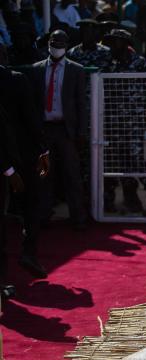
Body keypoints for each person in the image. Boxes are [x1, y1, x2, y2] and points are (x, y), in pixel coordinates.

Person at [102, 29, 146, 216]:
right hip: (114, 121)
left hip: (134, 120)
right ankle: (132, 201)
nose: (110, 47)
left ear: (123, 43)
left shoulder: (140, 63)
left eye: (114, 42)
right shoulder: (110, 64)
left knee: (136, 158)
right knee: (121, 160)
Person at [0, 43, 49, 281]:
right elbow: (31, 119)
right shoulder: (17, 80)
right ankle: (29, 251)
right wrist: (43, 149)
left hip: (12, 157)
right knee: (32, 204)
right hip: (21, 154)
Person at [30, 30, 88, 230]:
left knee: (72, 174)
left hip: (66, 131)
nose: (56, 45)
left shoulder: (76, 70)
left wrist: (81, 132)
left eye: (60, 42)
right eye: (53, 42)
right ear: (48, 44)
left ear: (67, 45)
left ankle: (78, 218)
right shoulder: (36, 69)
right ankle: (44, 215)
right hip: (45, 130)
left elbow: (82, 103)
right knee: (44, 174)